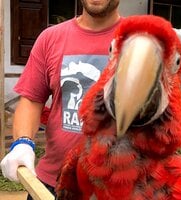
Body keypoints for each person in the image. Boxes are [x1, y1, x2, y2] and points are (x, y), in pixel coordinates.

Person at [0, 0, 121, 198]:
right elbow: (31, 100)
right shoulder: (51, 38)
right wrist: (22, 143)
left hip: (118, 188)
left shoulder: (140, 40)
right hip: (52, 184)